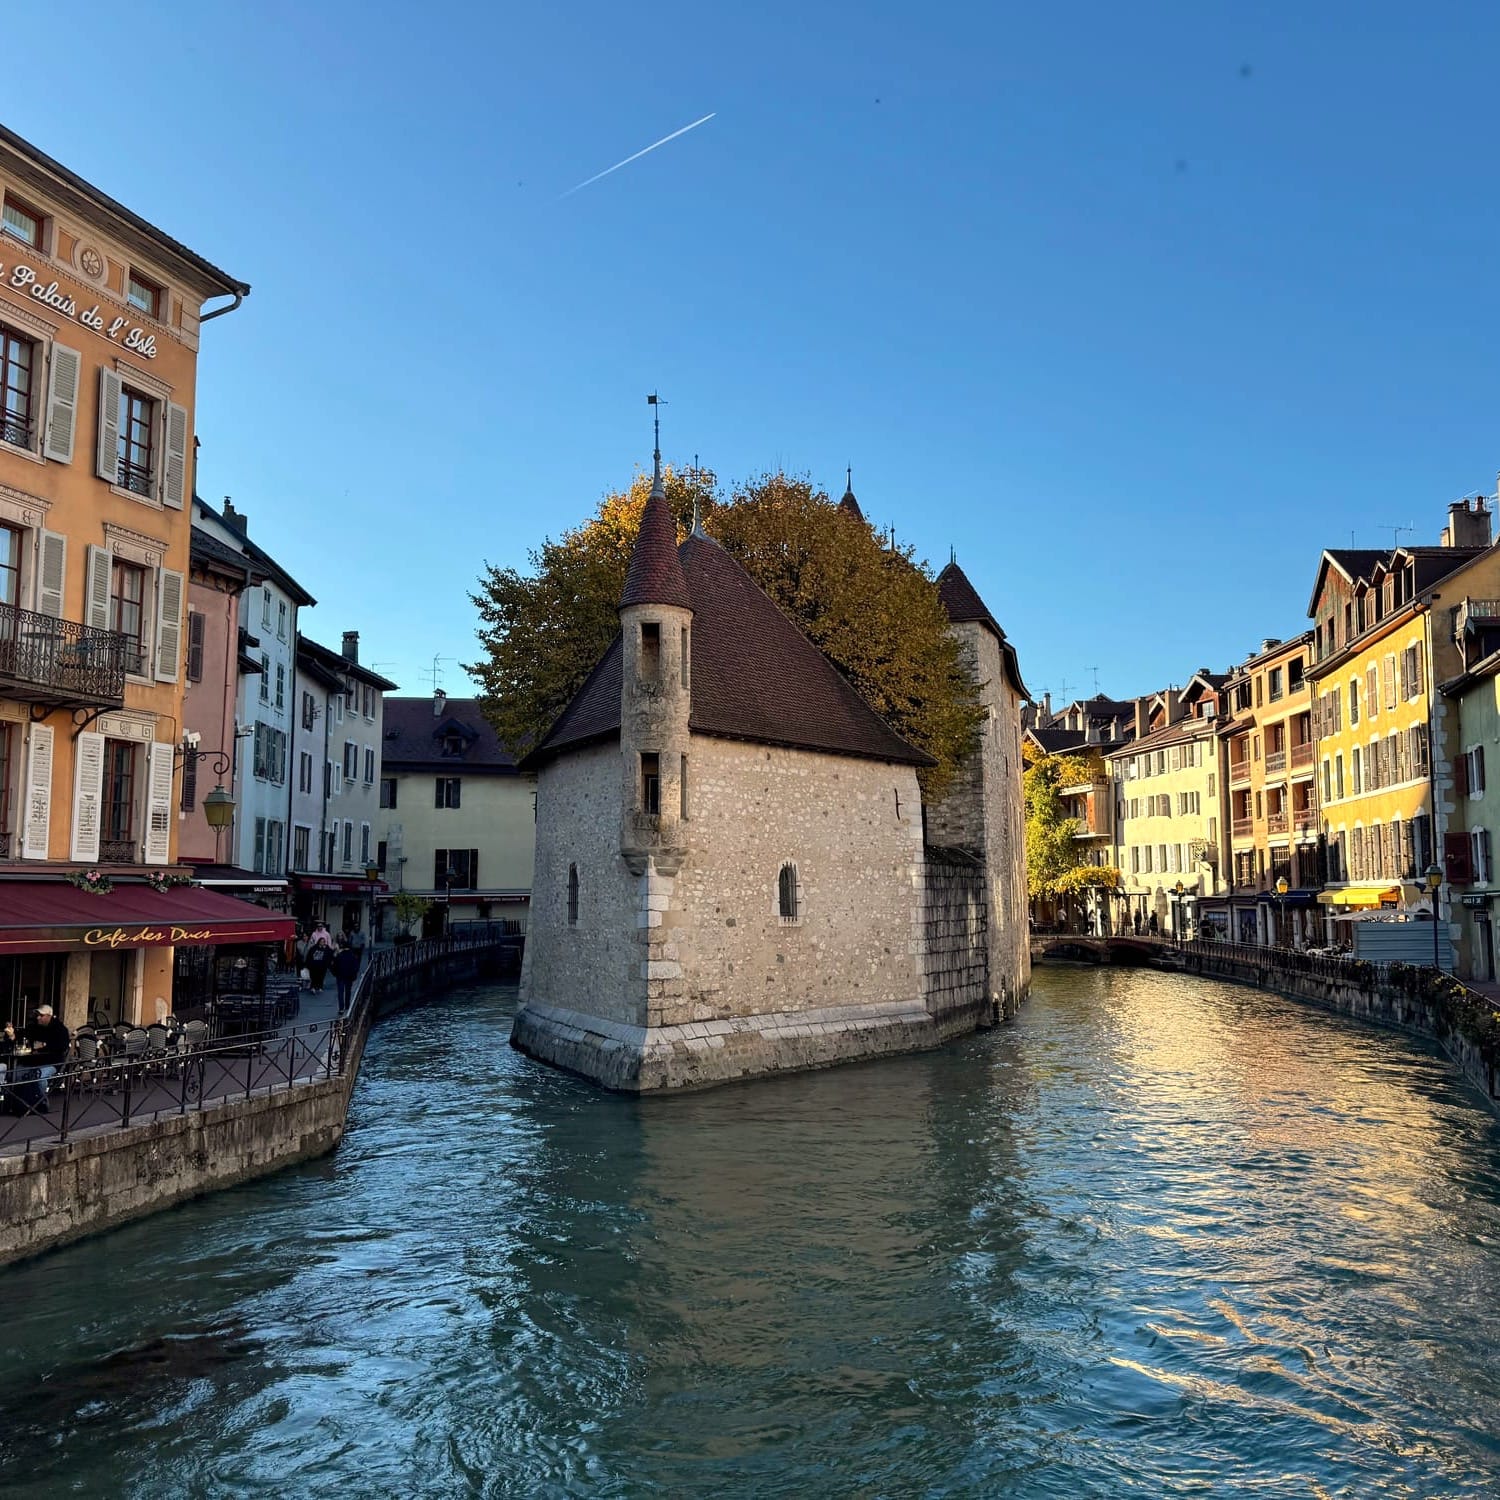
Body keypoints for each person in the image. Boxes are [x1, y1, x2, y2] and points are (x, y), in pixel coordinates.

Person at [16, 1003, 69, 1114]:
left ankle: (42, 1103)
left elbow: (62, 1047)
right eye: (37, 1015)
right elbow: (23, 1035)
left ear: (49, 1016)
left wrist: (45, 1045)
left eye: (41, 1015)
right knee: (17, 1072)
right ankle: (19, 1104)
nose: (38, 1017)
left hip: (52, 1062)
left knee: (39, 1076)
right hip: (33, 1060)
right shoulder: (34, 1027)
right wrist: (12, 1035)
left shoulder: (60, 1029)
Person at [331, 940, 361, 1015]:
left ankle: (341, 1008)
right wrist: (354, 976)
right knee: (348, 991)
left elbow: (334, 966)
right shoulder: (353, 956)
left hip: (340, 976)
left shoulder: (339, 956)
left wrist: (335, 974)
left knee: (340, 992)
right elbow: (356, 968)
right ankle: (347, 1005)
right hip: (349, 976)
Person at [306, 924, 334, 993]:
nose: (320, 927)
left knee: (321, 976)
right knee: (314, 976)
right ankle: (313, 987)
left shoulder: (326, 935)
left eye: (323, 942)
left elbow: (330, 952)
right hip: (314, 964)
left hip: (322, 965)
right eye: (318, 926)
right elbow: (310, 954)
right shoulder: (314, 946)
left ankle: (320, 987)